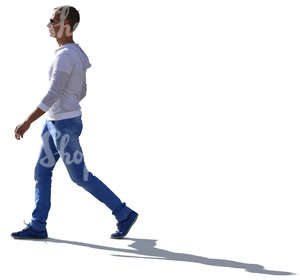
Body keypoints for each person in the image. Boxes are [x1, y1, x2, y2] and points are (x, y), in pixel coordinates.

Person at [12, 6, 138, 240]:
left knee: (79, 176)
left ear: (66, 25)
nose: (49, 24)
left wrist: (27, 121)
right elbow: (82, 91)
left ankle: (123, 213)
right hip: (55, 123)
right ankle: (38, 225)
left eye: (53, 20)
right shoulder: (74, 53)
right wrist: (66, 107)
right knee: (42, 170)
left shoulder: (66, 56)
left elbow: (52, 94)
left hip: (63, 128)